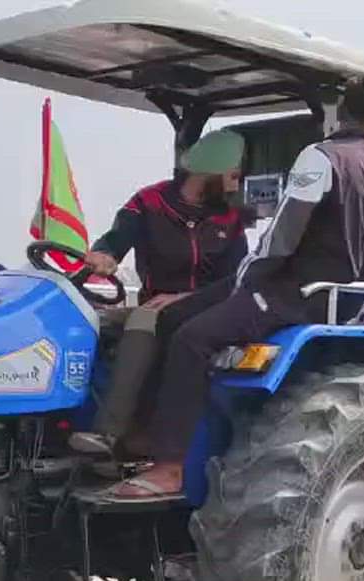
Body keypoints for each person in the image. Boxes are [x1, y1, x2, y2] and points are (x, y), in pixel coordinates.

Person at [111, 78, 364, 499]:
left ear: (341, 114)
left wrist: (248, 281)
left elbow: (282, 236)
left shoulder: (321, 157)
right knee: (171, 316)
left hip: (293, 292)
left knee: (192, 338)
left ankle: (170, 466)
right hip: (334, 295)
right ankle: (147, 432)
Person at [69, 128, 248, 457]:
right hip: (154, 300)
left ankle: (110, 434)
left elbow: (236, 280)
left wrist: (185, 299)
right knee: (87, 321)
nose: (235, 186)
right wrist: (104, 255)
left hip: (207, 307)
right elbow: (116, 240)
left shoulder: (230, 219)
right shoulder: (148, 202)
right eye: (233, 176)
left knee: (144, 318)